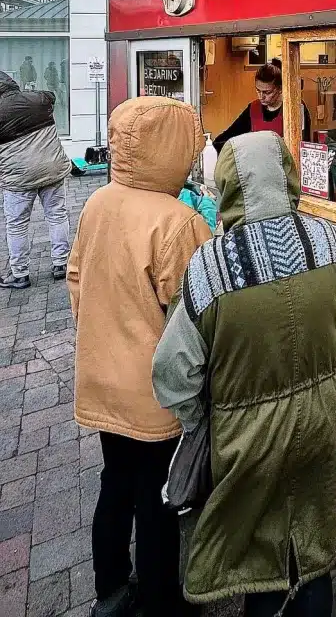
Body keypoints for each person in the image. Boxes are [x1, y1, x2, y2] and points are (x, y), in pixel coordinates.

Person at [152, 130, 336, 615]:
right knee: (313, 542)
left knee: (258, 551)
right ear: (288, 177)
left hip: (244, 435)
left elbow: (172, 374)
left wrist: (203, 416)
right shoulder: (327, 240)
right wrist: (322, 360)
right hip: (320, 419)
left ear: (227, 185)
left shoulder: (210, 267)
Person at [68, 96, 212, 616]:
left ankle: (109, 587)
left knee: (115, 482)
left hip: (101, 378)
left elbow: (76, 281)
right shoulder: (178, 222)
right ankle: (160, 600)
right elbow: (198, 313)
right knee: (158, 498)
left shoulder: (97, 202)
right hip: (154, 393)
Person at [0, 70, 72, 289]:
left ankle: (20, 273)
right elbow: (51, 96)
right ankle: (62, 263)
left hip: (18, 177)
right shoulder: (38, 99)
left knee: (17, 225)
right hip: (51, 168)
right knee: (57, 215)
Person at [213, 58, 310, 155]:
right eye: (258, 90)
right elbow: (227, 137)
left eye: (267, 92)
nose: (261, 97)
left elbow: (304, 145)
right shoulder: (253, 108)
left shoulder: (295, 107)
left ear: (280, 89)